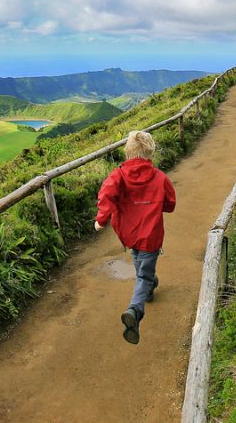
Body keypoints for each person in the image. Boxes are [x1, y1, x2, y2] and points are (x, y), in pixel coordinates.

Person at [94, 130, 176, 344]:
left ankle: (149, 288)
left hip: (129, 234)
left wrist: (101, 220)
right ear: (150, 153)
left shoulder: (118, 175)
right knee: (144, 275)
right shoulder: (160, 177)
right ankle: (135, 310)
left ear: (127, 152)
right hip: (151, 236)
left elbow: (106, 195)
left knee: (141, 266)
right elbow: (170, 205)